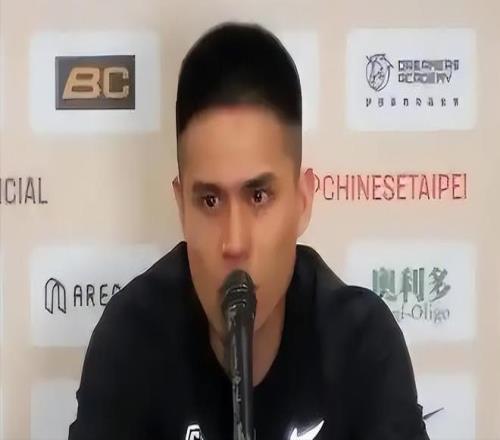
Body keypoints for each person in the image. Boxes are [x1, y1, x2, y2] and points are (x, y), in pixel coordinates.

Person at [68, 22, 429, 440]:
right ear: (182, 208)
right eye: (209, 201)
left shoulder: (361, 344)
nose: (234, 242)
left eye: (258, 196)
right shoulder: (131, 340)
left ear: (302, 202)